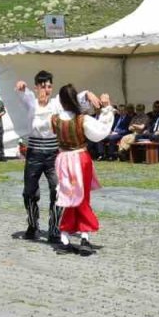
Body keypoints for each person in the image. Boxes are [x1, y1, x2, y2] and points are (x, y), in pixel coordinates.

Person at [51, 85, 114, 256]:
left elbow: (59, 100)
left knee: (68, 198)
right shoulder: (82, 119)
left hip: (63, 159)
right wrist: (107, 108)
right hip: (80, 159)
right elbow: (100, 132)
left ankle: (64, 238)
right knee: (82, 197)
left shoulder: (55, 119)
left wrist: (85, 93)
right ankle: (84, 237)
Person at [15, 70, 64, 243]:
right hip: (34, 152)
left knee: (58, 190)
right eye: (43, 86)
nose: (46, 90)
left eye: (49, 86)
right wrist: (21, 87)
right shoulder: (32, 103)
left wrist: (87, 95)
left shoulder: (57, 103)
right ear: (36, 88)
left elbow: (72, 97)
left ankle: (54, 228)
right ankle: (33, 224)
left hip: (53, 153)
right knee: (29, 192)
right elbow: (23, 93)